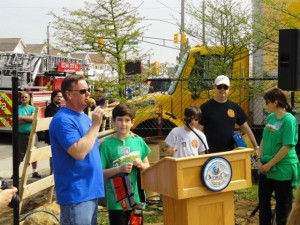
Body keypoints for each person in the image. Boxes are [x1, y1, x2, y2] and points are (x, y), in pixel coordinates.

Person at [49, 74, 105, 225]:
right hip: (76, 194)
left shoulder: (84, 116)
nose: (88, 94)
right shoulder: (63, 120)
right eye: (82, 91)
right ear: (68, 94)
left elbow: (91, 146)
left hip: (90, 191)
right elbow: (79, 152)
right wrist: (95, 126)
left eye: (88, 90)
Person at [100, 103, 151, 225]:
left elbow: (148, 166)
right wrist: (119, 169)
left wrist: (140, 164)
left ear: (133, 122)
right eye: (120, 120)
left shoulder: (138, 141)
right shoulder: (106, 145)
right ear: (113, 121)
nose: (123, 124)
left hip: (137, 200)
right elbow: (101, 172)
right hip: (117, 202)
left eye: (127, 120)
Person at [257, 87, 299, 225]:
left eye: (267, 101)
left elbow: (287, 146)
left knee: (283, 205)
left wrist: (270, 164)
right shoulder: (270, 117)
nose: (266, 105)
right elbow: (264, 138)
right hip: (265, 166)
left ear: (275, 102)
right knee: (263, 201)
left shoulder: (289, 120)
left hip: (282, 168)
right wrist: (260, 159)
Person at [198, 75, 259, 153]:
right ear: (214, 87)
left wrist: (256, 147)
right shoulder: (205, 107)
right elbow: (198, 131)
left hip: (230, 153)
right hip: (210, 153)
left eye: (225, 87)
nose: (222, 89)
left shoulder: (235, 107)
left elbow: (246, 129)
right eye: (219, 87)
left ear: (229, 89)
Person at [18, 92, 41, 178]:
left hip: (32, 135)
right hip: (21, 135)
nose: (24, 98)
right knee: (19, 154)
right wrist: (29, 119)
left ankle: (34, 172)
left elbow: (34, 119)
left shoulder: (32, 108)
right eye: (22, 97)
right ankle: (15, 173)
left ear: (29, 99)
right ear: (20, 99)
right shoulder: (17, 108)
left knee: (34, 153)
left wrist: (22, 118)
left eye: (26, 97)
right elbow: (17, 121)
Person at [44, 90, 62, 175]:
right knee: (53, 155)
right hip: (52, 136)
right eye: (58, 96)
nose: (59, 98)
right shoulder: (50, 108)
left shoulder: (60, 107)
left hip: (60, 135)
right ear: (53, 97)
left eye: (61, 96)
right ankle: (52, 173)